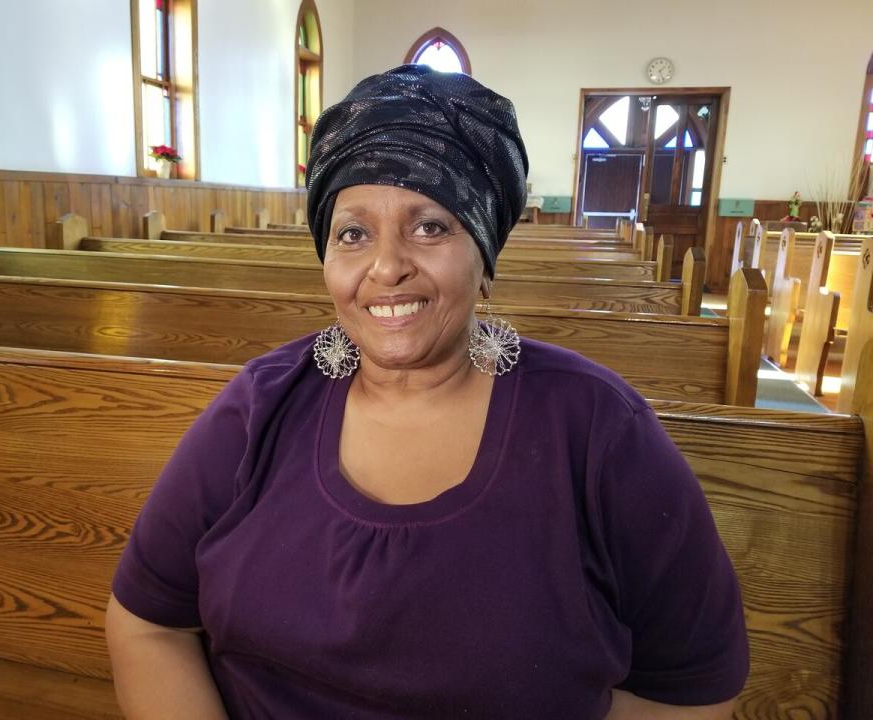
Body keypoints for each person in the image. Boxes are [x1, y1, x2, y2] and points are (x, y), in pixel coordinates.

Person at [106, 65, 749, 719]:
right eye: (353, 234)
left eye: (430, 227)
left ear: (484, 252)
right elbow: (148, 622)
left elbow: (692, 687)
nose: (386, 268)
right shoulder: (259, 407)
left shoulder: (598, 429)